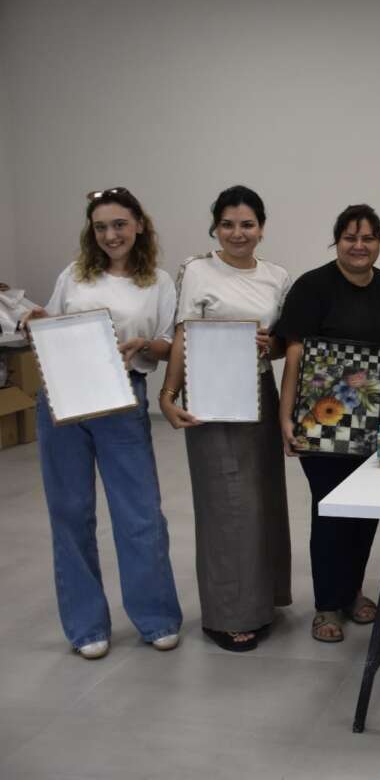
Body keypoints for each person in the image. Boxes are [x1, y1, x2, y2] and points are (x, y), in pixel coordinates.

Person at [27, 187, 182, 659]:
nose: (111, 235)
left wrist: (142, 345)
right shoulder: (74, 275)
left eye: (119, 224)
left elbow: (167, 344)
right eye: (100, 227)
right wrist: (37, 321)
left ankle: (155, 617)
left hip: (122, 397)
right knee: (70, 512)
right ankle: (86, 626)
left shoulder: (157, 281)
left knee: (139, 513)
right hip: (64, 399)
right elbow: (53, 325)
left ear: (139, 225)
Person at [158, 185, 292, 652]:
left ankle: (264, 598)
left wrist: (271, 345)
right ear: (215, 227)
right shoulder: (198, 270)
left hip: (258, 393)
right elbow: (182, 335)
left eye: (248, 224)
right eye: (228, 224)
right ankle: (230, 613)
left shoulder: (276, 276)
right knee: (227, 505)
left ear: (262, 228)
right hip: (211, 396)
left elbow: (282, 344)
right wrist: (168, 394)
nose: (238, 233)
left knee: (262, 500)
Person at [275, 203, 380, 643]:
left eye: (368, 238)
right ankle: (326, 605)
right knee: (331, 509)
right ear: (337, 241)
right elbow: (295, 353)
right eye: (350, 237)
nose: (359, 245)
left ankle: (352, 592)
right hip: (322, 419)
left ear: (379, 243)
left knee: (366, 511)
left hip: (377, 419)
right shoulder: (312, 287)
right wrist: (285, 416)